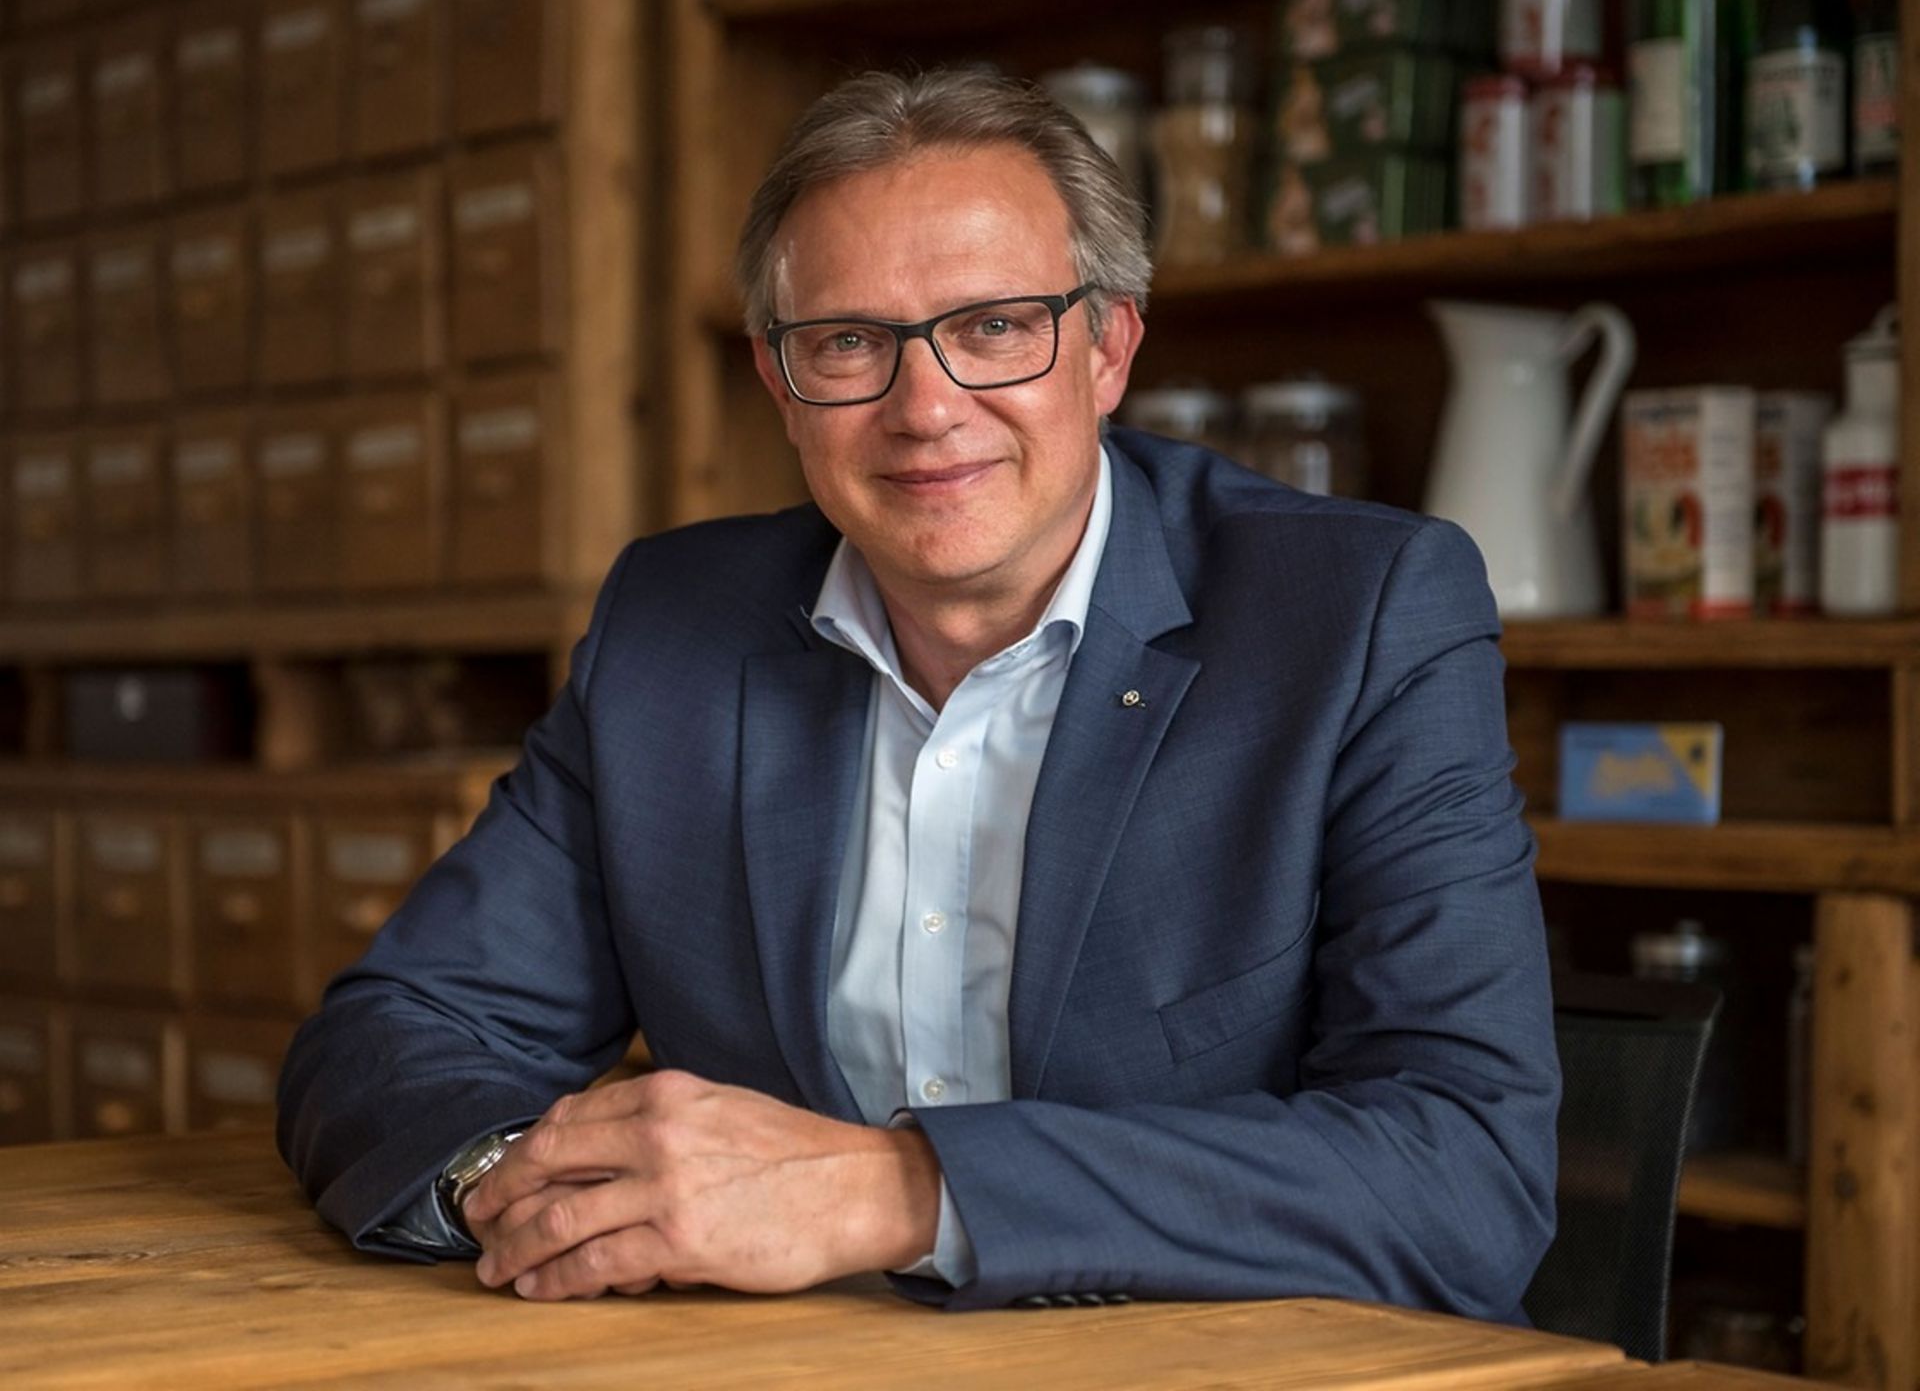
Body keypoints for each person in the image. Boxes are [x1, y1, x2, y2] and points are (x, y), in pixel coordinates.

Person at [278, 67, 1559, 1317]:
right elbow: (398, 1030)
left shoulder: (1357, 616)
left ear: (1107, 349)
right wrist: (522, 1183)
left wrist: (897, 1192)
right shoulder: (673, 629)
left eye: (994, 327)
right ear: (781, 384)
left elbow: (1465, 1178)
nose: (927, 409)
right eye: (848, 343)